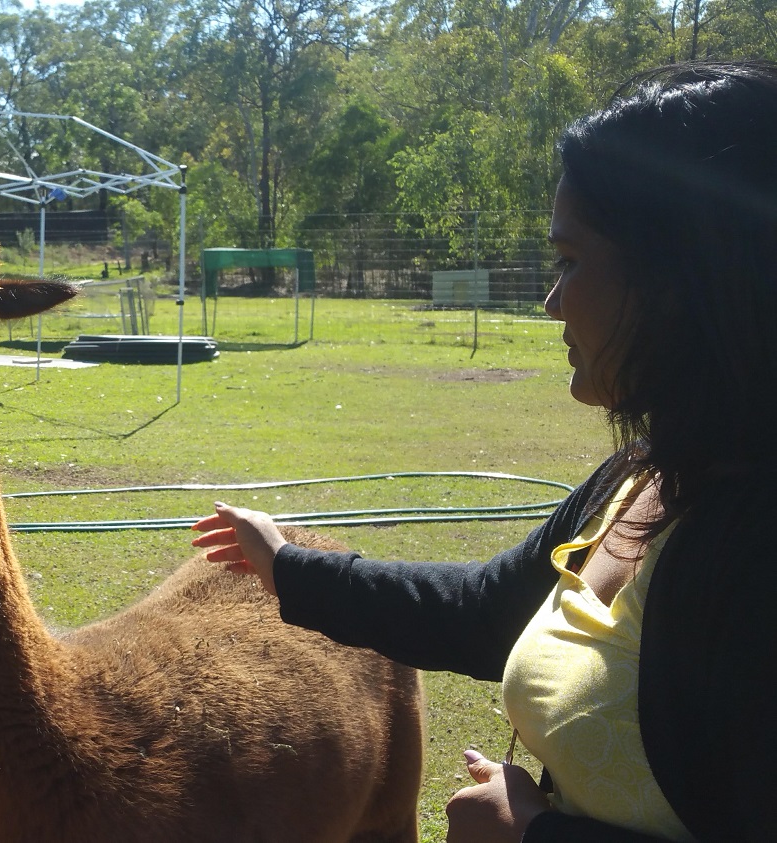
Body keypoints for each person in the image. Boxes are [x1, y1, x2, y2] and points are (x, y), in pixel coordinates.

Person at [193, 60, 777, 843]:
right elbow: (490, 608)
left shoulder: (753, 546)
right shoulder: (646, 476)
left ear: (681, 279)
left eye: (570, 262)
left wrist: (531, 832)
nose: (551, 301)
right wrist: (288, 565)